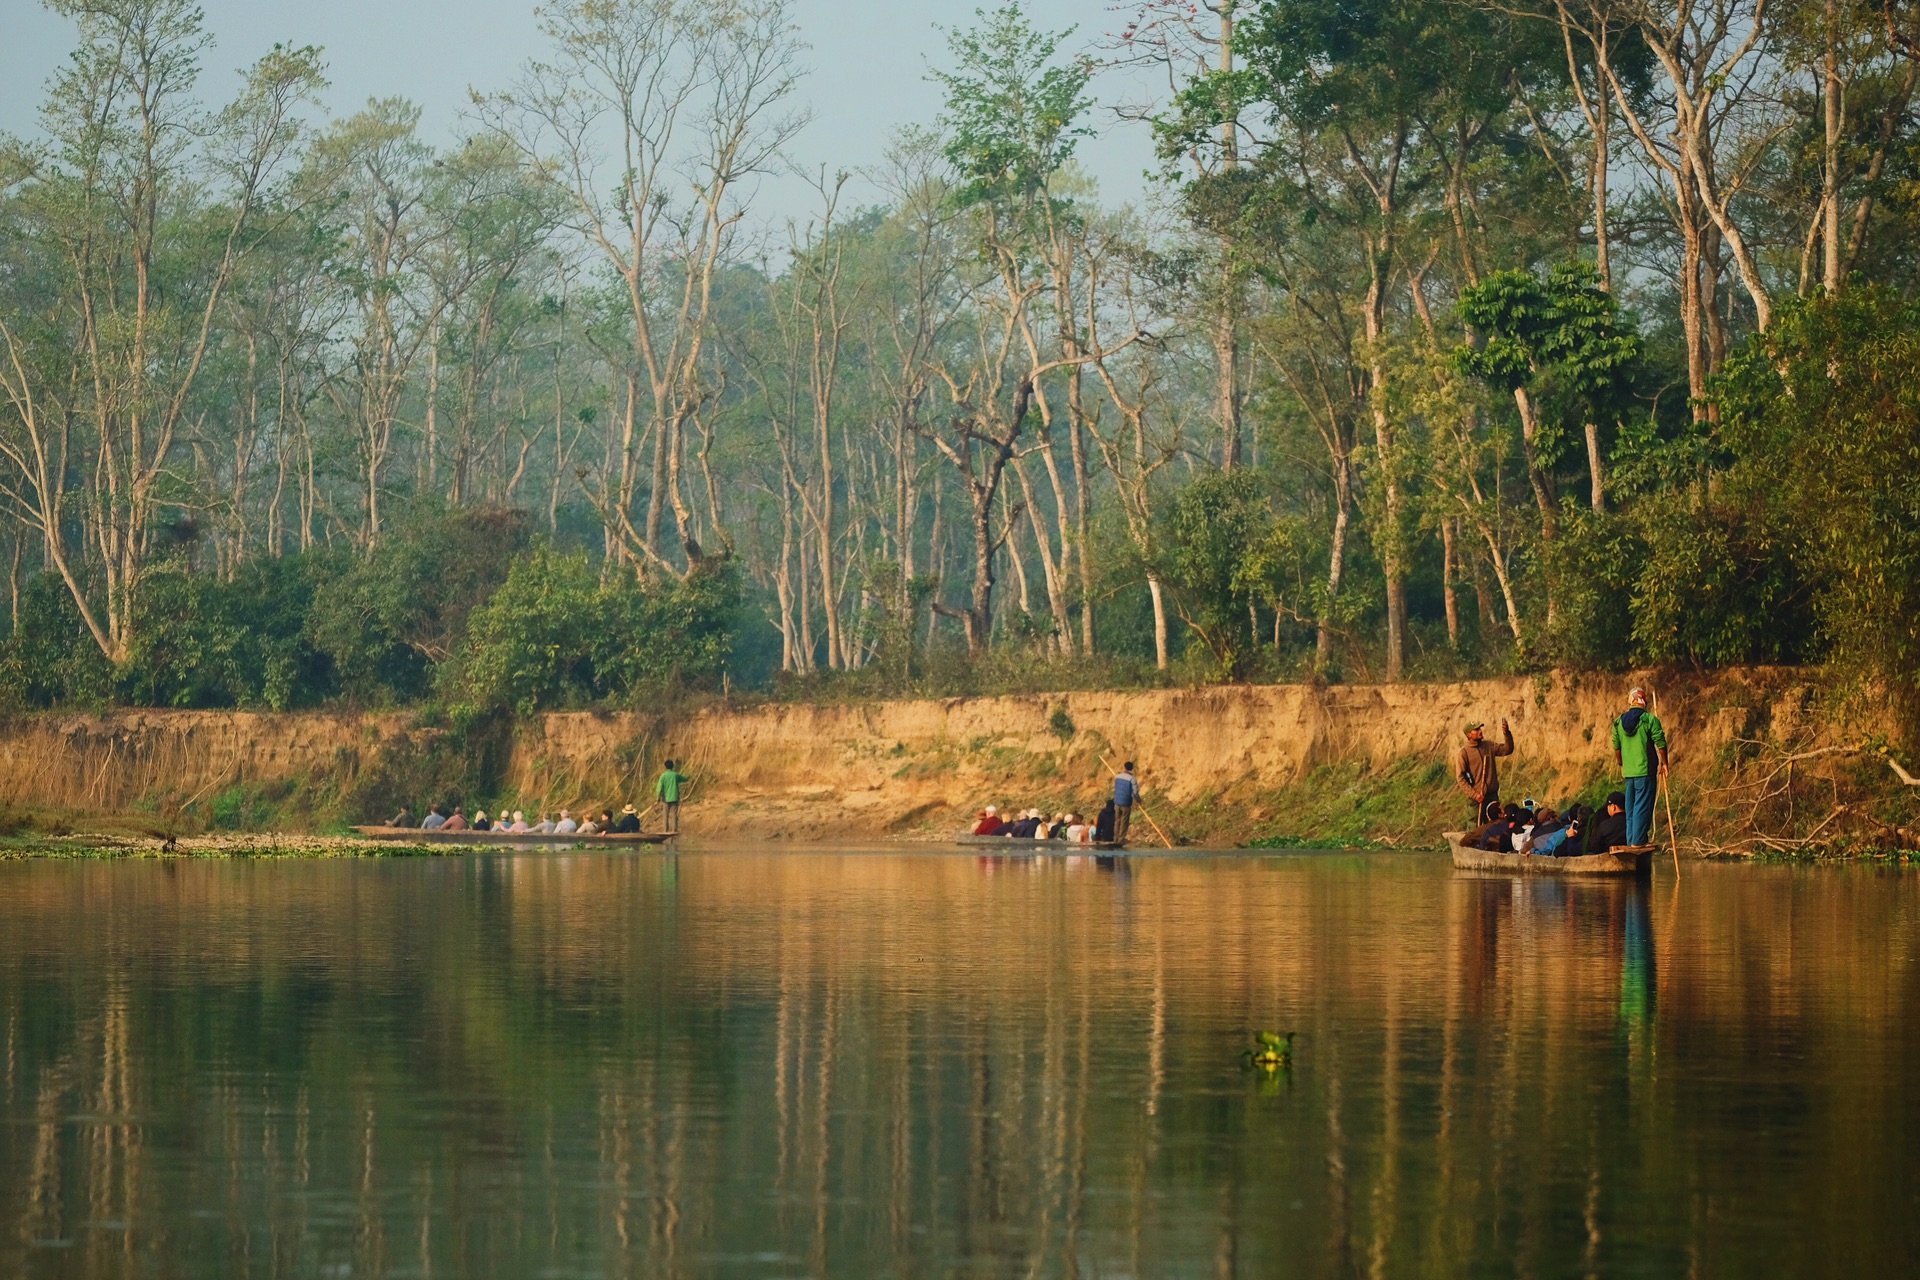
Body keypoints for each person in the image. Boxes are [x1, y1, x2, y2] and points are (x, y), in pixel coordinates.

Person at [1612, 688, 1670, 846]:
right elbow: (1661, 743)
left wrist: (1621, 763)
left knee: (1630, 808)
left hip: (1629, 773)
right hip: (1645, 771)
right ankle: (1638, 841)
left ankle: (1631, 840)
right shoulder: (1649, 719)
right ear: (1644, 702)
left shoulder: (1618, 722)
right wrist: (1664, 763)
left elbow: (1617, 748)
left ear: (1630, 701)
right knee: (1642, 807)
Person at [1456, 718, 1516, 825]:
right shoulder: (1464, 753)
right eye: (1476, 730)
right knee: (1475, 826)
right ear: (1469, 735)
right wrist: (1475, 795)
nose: (1480, 731)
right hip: (1477, 799)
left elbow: (1507, 749)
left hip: (1492, 796)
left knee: (1496, 825)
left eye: (1480, 728)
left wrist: (1507, 733)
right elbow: (1461, 778)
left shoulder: (1488, 746)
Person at [654, 759, 688, 834]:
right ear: (672, 767)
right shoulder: (675, 775)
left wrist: (658, 798)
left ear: (665, 767)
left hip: (666, 799)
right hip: (674, 798)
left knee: (665, 815)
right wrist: (688, 778)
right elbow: (684, 779)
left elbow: (659, 787)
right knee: (674, 814)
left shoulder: (663, 776)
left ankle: (665, 830)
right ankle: (674, 830)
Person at [1112, 761, 1138, 844]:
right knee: (1124, 821)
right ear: (1132, 768)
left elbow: (1115, 788)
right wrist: (1138, 800)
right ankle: (1121, 839)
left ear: (1124, 767)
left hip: (1117, 802)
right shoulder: (1132, 779)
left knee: (1117, 821)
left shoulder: (1117, 777)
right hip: (1126, 803)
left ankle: (1115, 838)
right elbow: (1135, 793)